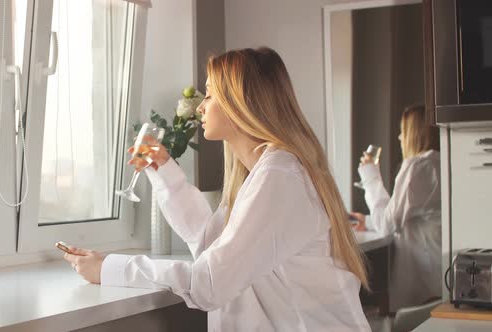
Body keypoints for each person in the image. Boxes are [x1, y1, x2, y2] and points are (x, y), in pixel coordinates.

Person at [64, 47, 371, 331]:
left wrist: (112, 268)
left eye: (209, 95)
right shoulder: (265, 172)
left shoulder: (280, 174)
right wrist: (164, 171)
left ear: (240, 104)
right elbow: (212, 246)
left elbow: (209, 283)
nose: (200, 107)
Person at [350, 104, 441, 312]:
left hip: (425, 282)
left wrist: (371, 176)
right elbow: (413, 216)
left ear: (414, 133)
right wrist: (369, 220)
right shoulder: (438, 163)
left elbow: (388, 224)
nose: (400, 138)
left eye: (403, 132)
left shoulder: (417, 166)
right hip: (438, 272)